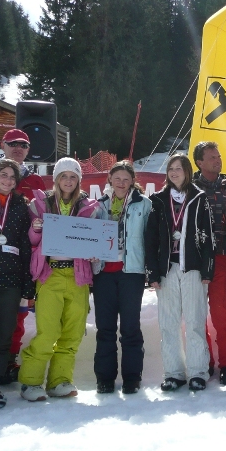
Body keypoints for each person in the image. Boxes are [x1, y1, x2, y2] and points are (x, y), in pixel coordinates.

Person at [19, 158, 102, 402]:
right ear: (56, 179)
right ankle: (31, 382)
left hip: (78, 276)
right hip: (50, 274)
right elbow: (32, 241)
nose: (68, 180)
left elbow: (95, 240)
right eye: (63, 176)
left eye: (73, 176)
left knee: (73, 332)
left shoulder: (90, 207)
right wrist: (36, 228)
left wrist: (95, 251)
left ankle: (59, 380)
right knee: (48, 331)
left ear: (78, 180)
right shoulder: (40, 204)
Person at [146, 154, 215, 392]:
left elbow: (208, 235)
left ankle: (198, 372)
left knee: (195, 321)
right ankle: (173, 373)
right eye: (171, 169)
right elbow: (150, 238)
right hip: (167, 268)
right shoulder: (157, 200)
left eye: (179, 168)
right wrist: (152, 273)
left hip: (192, 267)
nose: (174, 172)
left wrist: (207, 269)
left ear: (187, 171)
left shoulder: (199, 198)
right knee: (169, 323)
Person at [92, 161, 151, 394]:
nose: (121, 183)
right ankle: (105, 378)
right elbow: (89, 236)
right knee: (105, 327)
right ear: (110, 179)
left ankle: (132, 377)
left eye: (126, 179)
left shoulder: (144, 204)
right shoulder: (99, 205)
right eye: (117, 178)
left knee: (130, 327)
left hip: (131, 272)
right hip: (104, 273)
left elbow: (150, 237)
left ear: (133, 181)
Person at [0, 129, 46, 385]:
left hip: (21, 262)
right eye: (12, 143)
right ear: (2, 145)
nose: (18, 148)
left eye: (23, 145)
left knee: (15, 317)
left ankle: (8, 361)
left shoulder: (35, 181)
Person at [192, 142, 226, 384]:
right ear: (199, 162)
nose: (217, 160)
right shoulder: (189, 187)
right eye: (212, 157)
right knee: (196, 314)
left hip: (221, 256)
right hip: (195, 259)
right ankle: (204, 362)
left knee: (222, 313)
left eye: (218, 156)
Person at [0, 159, 33, 409]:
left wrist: (27, 283)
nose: (8, 181)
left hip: (10, 279)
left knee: (4, 333)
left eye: (12, 177)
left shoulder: (21, 206)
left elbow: (26, 245)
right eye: (4, 175)